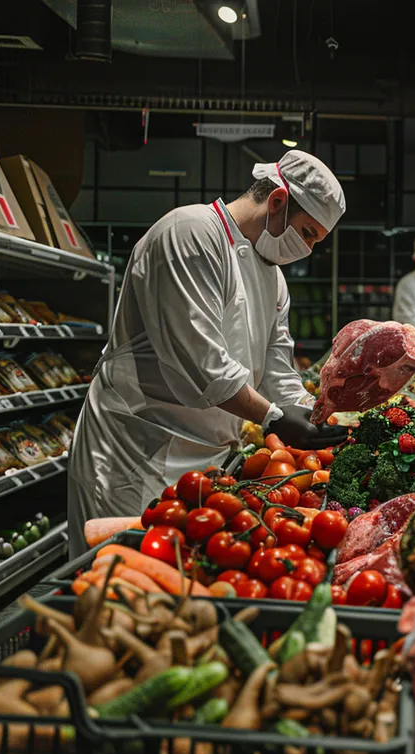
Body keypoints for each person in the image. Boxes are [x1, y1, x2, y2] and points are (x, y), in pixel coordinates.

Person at [68, 150, 348, 557]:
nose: (307, 249)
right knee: (119, 581)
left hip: (209, 456)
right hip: (138, 446)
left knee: (183, 582)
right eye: (307, 233)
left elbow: (276, 368)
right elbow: (199, 364)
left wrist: (315, 411)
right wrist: (273, 417)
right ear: (277, 202)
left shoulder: (273, 278)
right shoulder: (190, 233)